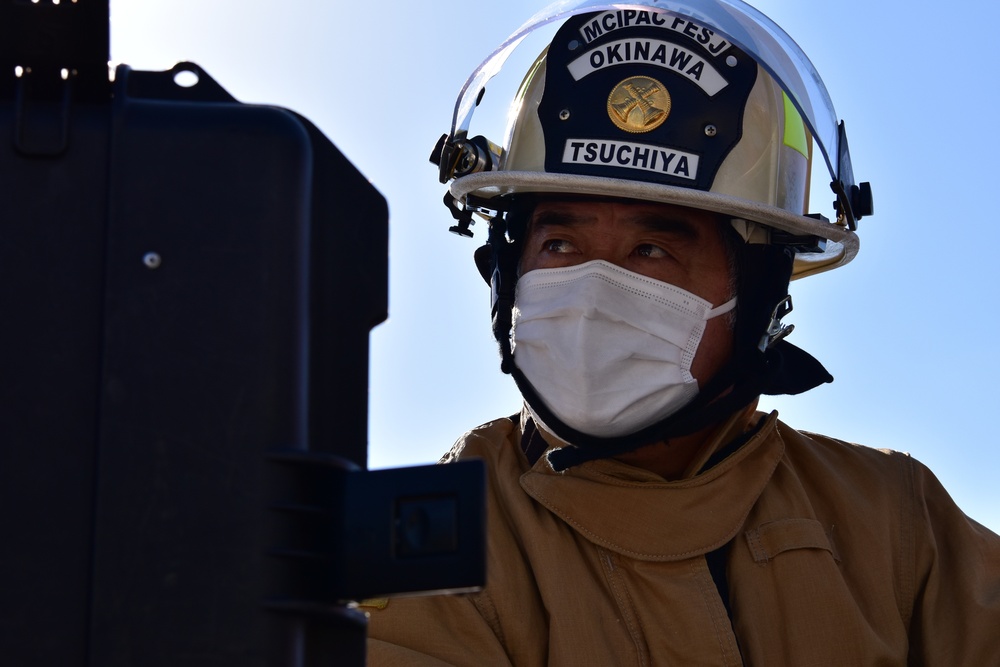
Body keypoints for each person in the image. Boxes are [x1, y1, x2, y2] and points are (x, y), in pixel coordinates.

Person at [365, 1, 1000, 664]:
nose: (593, 293)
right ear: (506, 271)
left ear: (756, 294)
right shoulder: (424, 537)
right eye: (559, 243)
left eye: (652, 251)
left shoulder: (895, 521)